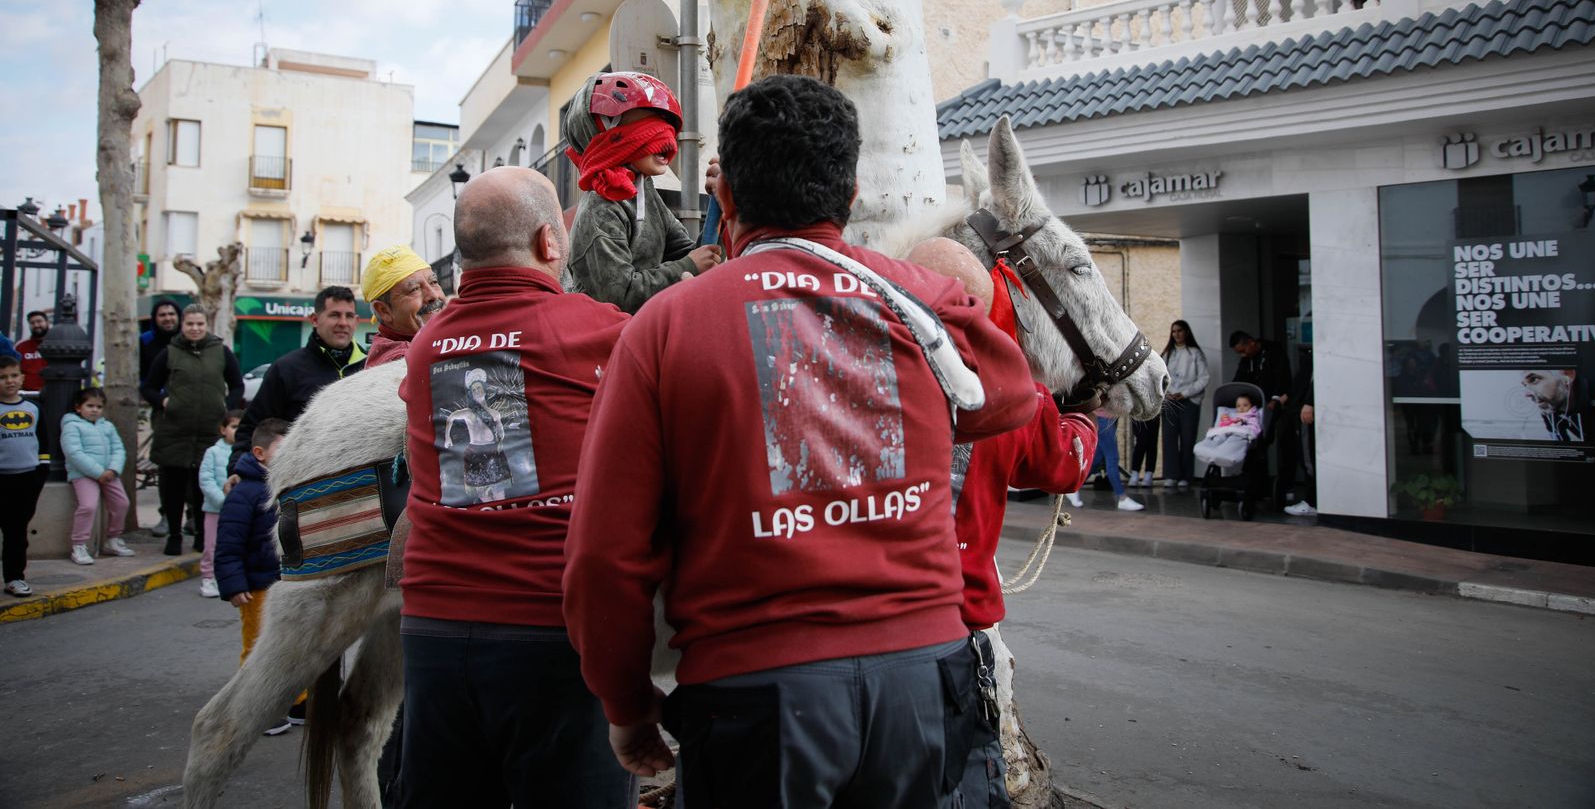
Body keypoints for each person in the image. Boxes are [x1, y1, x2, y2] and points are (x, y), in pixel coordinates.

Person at [563, 75, 1038, 808]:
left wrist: (625, 704)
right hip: (921, 679)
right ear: (850, 194)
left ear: (725, 197)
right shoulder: (921, 300)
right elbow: (1009, 396)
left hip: (755, 698)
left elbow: (604, 555)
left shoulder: (665, 328)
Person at [396, 165, 635, 808]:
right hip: (549, 631)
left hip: (435, 632)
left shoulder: (425, 346)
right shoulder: (598, 329)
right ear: (548, 242)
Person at [905, 236, 1096, 808]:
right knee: (966, 776)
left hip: (862, 629)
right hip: (957, 628)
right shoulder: (1016, 390)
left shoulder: (853, 365)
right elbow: (1063, 464)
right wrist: (1083, 417)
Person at [563, 71, 722, 311]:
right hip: (612, 332)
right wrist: (688, 266)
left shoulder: (644, 192)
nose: (666, 140)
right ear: (606, 133)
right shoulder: (600, 208)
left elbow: (693, 255)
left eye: (665, 125)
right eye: (649, 127)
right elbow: (618, 295)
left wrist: (723, 204)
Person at [214, 416, 304, 736]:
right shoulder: (245, 493)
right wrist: (234, 584)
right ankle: (254, 707)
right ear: (259, 453)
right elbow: (229, 543)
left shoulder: (292, 486)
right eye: (282, 447)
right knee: (258, 648)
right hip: (256, 588)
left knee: (295, 645)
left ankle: (297, 702)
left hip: (288, 583)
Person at [142, 305, 244, 557]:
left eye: (200, 324)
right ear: (183, 325)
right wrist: (163, 401)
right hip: (174, 432)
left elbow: (237, 386)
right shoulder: (169, 352)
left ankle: (201, 535)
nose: (195, 328)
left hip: (209, 432)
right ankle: (174, 536)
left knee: (202, 489)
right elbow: (148, 387)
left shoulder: (221, 351)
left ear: (207, 325)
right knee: (172, 489)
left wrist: (226, 407)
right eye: (190, 324)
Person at [230, 286, 365, 473]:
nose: (343, 323)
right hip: (303, 481)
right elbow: (252, 428)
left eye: (349, 316)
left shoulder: (370, 366)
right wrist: (237, 471)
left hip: (360, 480)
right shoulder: (286, 369)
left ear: (356, 322)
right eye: (334, 315)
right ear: (315, 320)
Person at [62, 388, 134, 565]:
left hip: (109, 474)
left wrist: (113, 470)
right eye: (90, 406)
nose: (94, 410)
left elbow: (118, 449)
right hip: (83, 474)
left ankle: (113, 539)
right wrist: (98, 473)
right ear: (78, 407)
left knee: (122, 503)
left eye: (99, 407)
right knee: (88, 506)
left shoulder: (107, 426)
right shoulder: (72, 426)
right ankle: (79, 545)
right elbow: (73, 453)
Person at [0, 357, 46, 596]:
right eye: (2, 377)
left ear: (22, 378)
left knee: (16, 532)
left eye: (14, 375)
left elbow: (44, 441)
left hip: (27, 479)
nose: (9, 381)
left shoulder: (33, 408)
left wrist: (41, 471)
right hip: (2, 479)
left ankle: (14, 577)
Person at [1230, 330, 1293, 498]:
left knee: (1277, 441)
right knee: (1255, 442)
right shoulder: (1247, 360)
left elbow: (1282, 376)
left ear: (1251, 342)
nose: (1242, 355)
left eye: (1243, 350)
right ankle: (1255, 482)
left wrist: (1276, 398)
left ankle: (1283, 483)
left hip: (1274, 403)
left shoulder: (1273, 351)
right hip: (1255, 407)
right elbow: (1239, 380)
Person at [362, 246, 446, 368]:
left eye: (433, 282)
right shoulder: (401, 362)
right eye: (414, 289)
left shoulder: (430, 343)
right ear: (384, 311)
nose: (433, 295)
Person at [197, 408, 243, 597]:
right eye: (233, 426)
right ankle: (208, 577)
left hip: (238, 510)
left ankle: (227, 578)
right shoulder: (213, 452)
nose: (237, 431)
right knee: (211, 546)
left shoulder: (245, 454)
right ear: (223, 429)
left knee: (233, 546)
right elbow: (206, 479)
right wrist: (222, 501)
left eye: (241, 427)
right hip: (215, 510)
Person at [1161, 319, 1210, 489]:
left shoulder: (1195, 353)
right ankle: (1171, 475)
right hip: (1170, 401)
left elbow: (1204, 378)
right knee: (1169, 438)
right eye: (1174, 331)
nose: (1176, 334)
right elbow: (1161, 377)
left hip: (1189, 400)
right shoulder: (1167, 354)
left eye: (1180, 331)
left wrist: (1185, 393)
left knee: (1188, 439)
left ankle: (1186, 476)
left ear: (1186, 332)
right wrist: (1166, 393)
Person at [1066, 411, 1144, 511]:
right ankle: (1122, 497)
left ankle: (1073, 487)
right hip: (1103, 417)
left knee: (1097, 460)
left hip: (1104, 417)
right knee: (1112, 458)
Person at [1192, 391, 1263, 476]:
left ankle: (1224, 453)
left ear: (1251, 406)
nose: (1241, 408)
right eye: (1238, 406)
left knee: (1234, 441)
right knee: (1218, 438)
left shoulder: (1252, 416)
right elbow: (1224, 425)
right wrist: (1222, 424)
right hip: (1226, 432)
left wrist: (1242, 423)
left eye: (1245, 405)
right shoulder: (1233, 415)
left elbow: (1254, 428)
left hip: (1239, 434)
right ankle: (1209, 449)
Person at [1283, 348, 1317, 516]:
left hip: (1305, 410)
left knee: (1308, 458)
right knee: (1306, 457)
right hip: (1300, 407)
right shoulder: (1314, 354)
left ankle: (1312, 502)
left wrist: (1309, 403)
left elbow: (1314, 380)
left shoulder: (1318, 355)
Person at [140, 298, 181, 384]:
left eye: (171, 314)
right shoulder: (145, 339)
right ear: (155, 318)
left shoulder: (188, 338)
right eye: (162, 315)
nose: (167, 318)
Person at [15, 310, 49, 392]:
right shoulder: (20, 346)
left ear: (47, 322)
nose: (36, 325)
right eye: (32, 323)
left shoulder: (57, 344)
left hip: (51, 392)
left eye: (39, 321)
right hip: (27, 393)